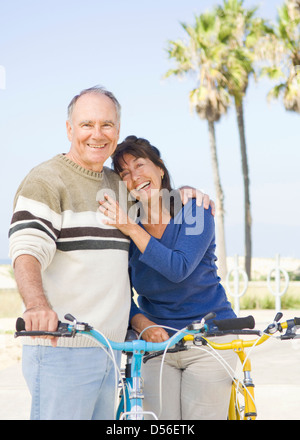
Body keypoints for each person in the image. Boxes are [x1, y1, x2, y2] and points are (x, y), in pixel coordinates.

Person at [8, 86, 212, 420]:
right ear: (69, 128)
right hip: (63, 348)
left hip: (111, 352)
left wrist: (186, 193)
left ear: (117, 131)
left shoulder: (119, 185)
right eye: (87, 124)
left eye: (107, 125)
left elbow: (154, 198)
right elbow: (27, 249)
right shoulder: (46, 179)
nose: (97, 134)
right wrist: (36, 305)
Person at [99, 135, 237, 420]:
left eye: (140, 165)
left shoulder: (194, 210)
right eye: (124, 173)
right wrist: (143, 323)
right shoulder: (126, 227)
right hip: (156, 346)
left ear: (160, 168)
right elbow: (119, 292)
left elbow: (179, 268)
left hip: (210, 339)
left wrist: (130, 229)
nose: (135, 177)